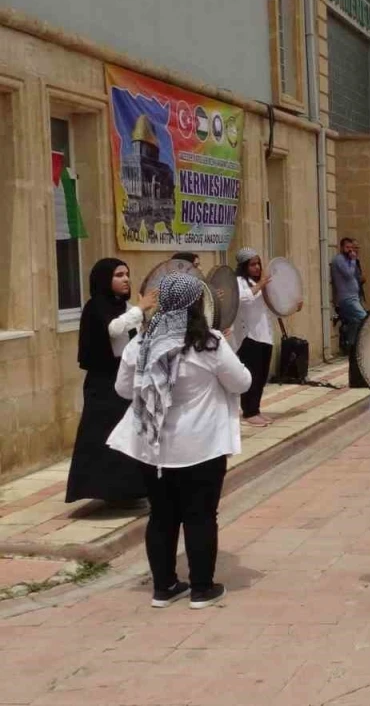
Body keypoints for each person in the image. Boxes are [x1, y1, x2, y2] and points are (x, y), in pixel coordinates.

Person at [107, 272, 251, 609]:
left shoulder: (141, 343)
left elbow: (123, 389)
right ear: (197, 304)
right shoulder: (209, 343)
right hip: (201, 447)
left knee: (161, 516)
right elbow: (242, 382)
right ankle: (202, 588)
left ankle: (164, 587)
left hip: (153, 449)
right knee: (201, 516)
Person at [66, 259, 153, 505]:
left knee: (128, 435)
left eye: (127, 274)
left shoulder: (125, 307)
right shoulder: (95, 307)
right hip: (103, 382)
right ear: (105, 279)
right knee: (102, 435)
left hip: (125, 378)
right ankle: (104, 491)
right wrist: (139, 309)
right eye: (118, 275)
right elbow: (113, 329)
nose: (126, 279)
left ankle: (129, 491)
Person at [229, 248, 275, 427]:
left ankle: (256, 409)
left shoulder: (259, 283)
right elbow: (243, 299)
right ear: (244, 266)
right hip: (249, 336)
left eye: (258, 264)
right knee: (251, 376)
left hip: (265, 335)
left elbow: (272, 303)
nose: (257, 268)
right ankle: (249, 412)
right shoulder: (238, 282)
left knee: (261, 376)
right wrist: (261, 284)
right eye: (252, 264)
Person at [332, 237, 366, 353]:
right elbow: (349, 274)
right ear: (341, 248)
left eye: (352, 248)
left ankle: (351, 346)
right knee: (365, 318)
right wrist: (353, 259)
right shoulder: (339, 260)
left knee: (355, 322)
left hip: (354, 297)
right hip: (347, 299)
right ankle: (363, 345)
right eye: (347, 248)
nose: (350, 250)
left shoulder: (348, 261)